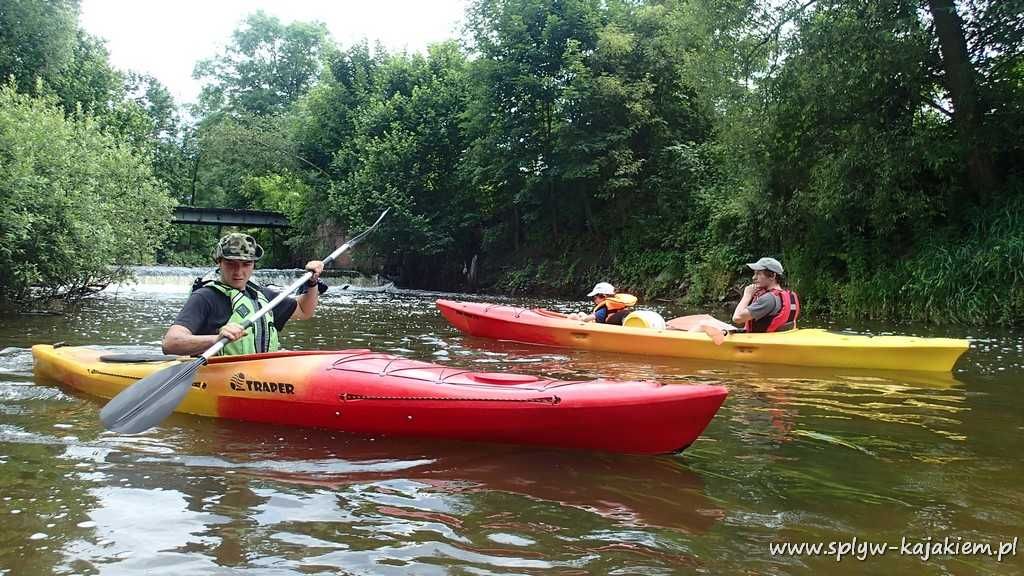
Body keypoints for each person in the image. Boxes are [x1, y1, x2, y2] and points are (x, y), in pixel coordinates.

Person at [162, 232, 326, 356]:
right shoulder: (205, 297)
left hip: (261, 377)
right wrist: (215, 340)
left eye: (246, 264)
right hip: (220, 379)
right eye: (231, 263)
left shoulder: (262, 295)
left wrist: (312, 282)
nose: (238, 271)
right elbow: (170, 343)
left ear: (253, 264)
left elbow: (304, 310)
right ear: (219, 262)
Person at [731, 257, 800, 333]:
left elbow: (737, 318)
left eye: (758, 274)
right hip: (779, 339)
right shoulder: (790, 295)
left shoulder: (768, 299)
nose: (754, 277)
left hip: (760, 342)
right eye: (754, 273)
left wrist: (747, 295)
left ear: (772, 276)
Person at [569, 282, 637, 325]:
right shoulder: (618, 305)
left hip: (605, 328)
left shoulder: (603, 310)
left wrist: (578, 319)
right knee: (581, 313)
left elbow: (585, 320)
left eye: (595, 298)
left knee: (573, 315)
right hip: (620, 322)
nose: (594, 300)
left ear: (603, 296)